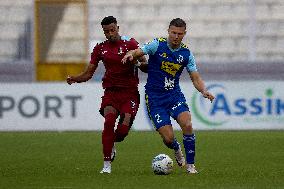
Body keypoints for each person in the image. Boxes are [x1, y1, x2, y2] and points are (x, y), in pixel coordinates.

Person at [122, 18, 214, 174]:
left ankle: (191, 166)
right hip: (155, 98)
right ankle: (176, 147)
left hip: (174, 95)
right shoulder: (157, 44)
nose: (176, 36)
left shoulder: (186, 54)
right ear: (168, 31)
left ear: (184, 34)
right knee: (168, 138)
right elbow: (139, 51)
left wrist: (203, 90)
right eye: (173, 33)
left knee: (187, 124)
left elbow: (195, 77)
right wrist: (131, 55)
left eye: (179, 33)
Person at [67, 16, 147, 174]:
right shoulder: (100, 48)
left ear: (118, 27)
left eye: (112, 30)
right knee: (109, 121)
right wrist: (74, 79)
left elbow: (146, 66)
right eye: (106, 31)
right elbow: (88, 73)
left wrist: (135, 61)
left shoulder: (130, 44)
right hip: (111, 93)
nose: (110, 34)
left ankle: (112, 144)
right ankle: (106, 165)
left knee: (122, 132)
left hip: (130, 94)